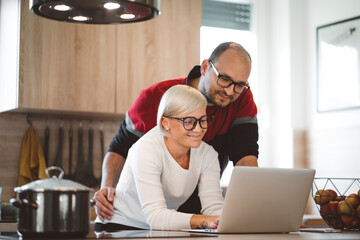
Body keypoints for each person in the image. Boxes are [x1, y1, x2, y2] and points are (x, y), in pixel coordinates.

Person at [93, 42, 259, 221]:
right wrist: (106, 190)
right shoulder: (155, 97)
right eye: (224, 79)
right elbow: (120, 146)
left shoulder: (240, 99)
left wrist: (249, 211)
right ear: (205, 67)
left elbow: (246, 156)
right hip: (140, 218)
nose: (229, 91)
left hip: (194, 218)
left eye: (239, 85)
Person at [94, 85, 223, 231]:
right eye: (188, 121)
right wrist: (208, 220)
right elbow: (156, 217)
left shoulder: (208, 154)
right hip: (118, 226)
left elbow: (214, 208)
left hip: (157, 229)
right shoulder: (146, 149)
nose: (199, 129)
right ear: (165, 122)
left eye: (203, 120)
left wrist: (222, 220)